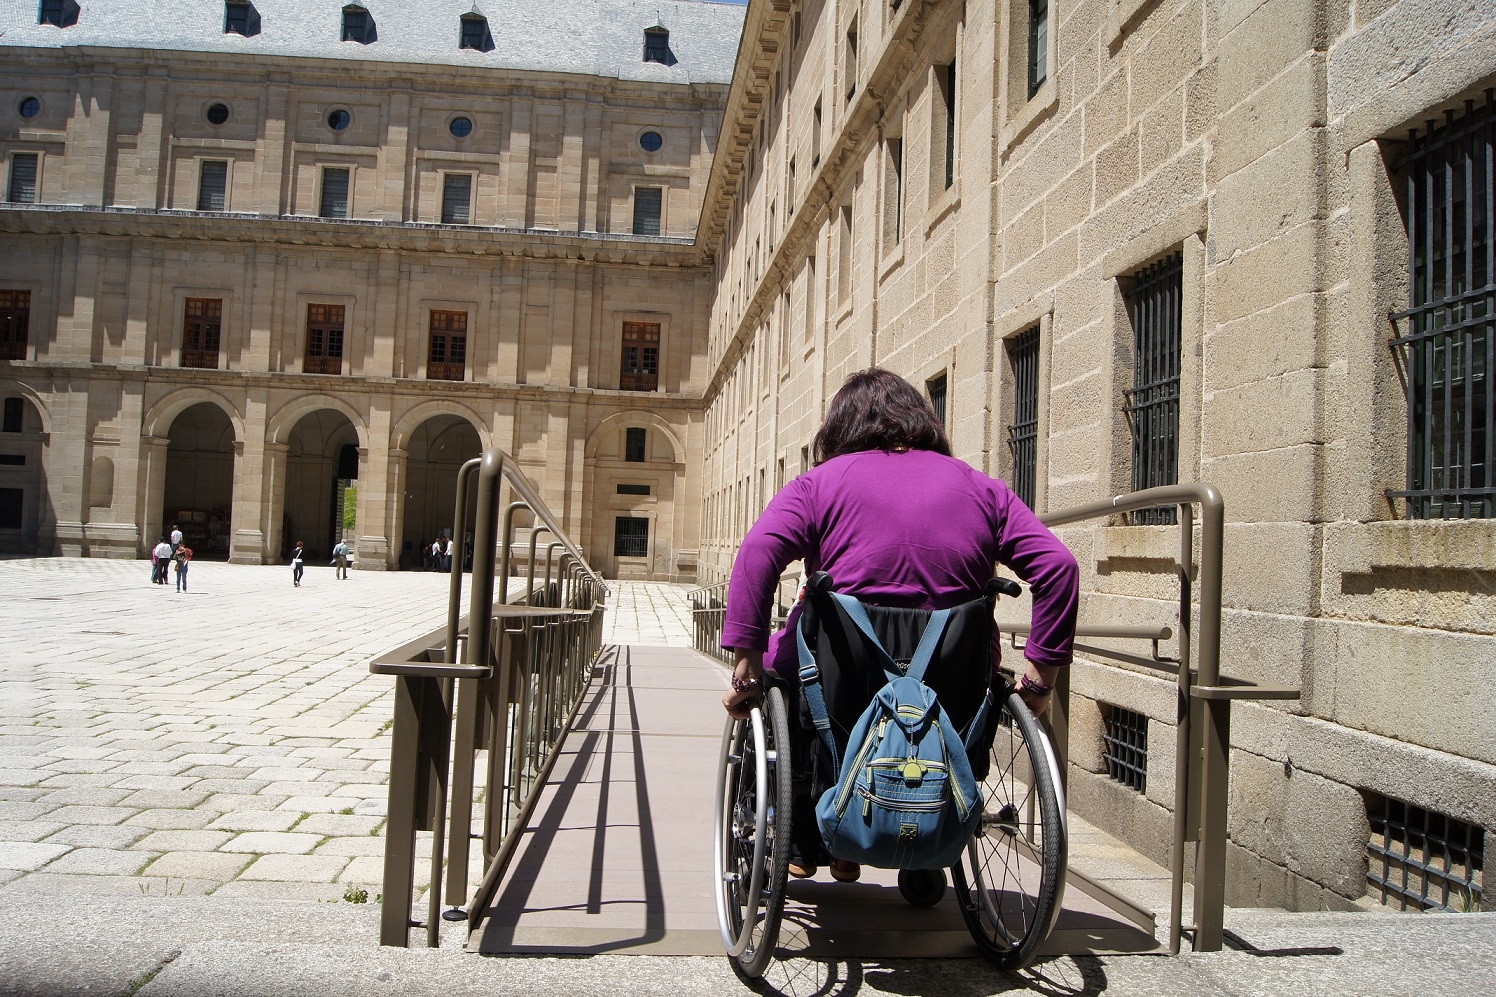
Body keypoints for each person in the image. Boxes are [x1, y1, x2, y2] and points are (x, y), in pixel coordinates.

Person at [719, 368, 1079, 884]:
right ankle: (928, 834)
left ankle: (804, 831)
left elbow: (757, 553)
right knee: (959, 690)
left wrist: (746, 665)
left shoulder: (819, 485)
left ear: (840, 428)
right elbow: (1059, 566)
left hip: (838, 685)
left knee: (781, 673)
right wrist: (1040, 681)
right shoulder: (983, 490)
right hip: (953, 683)